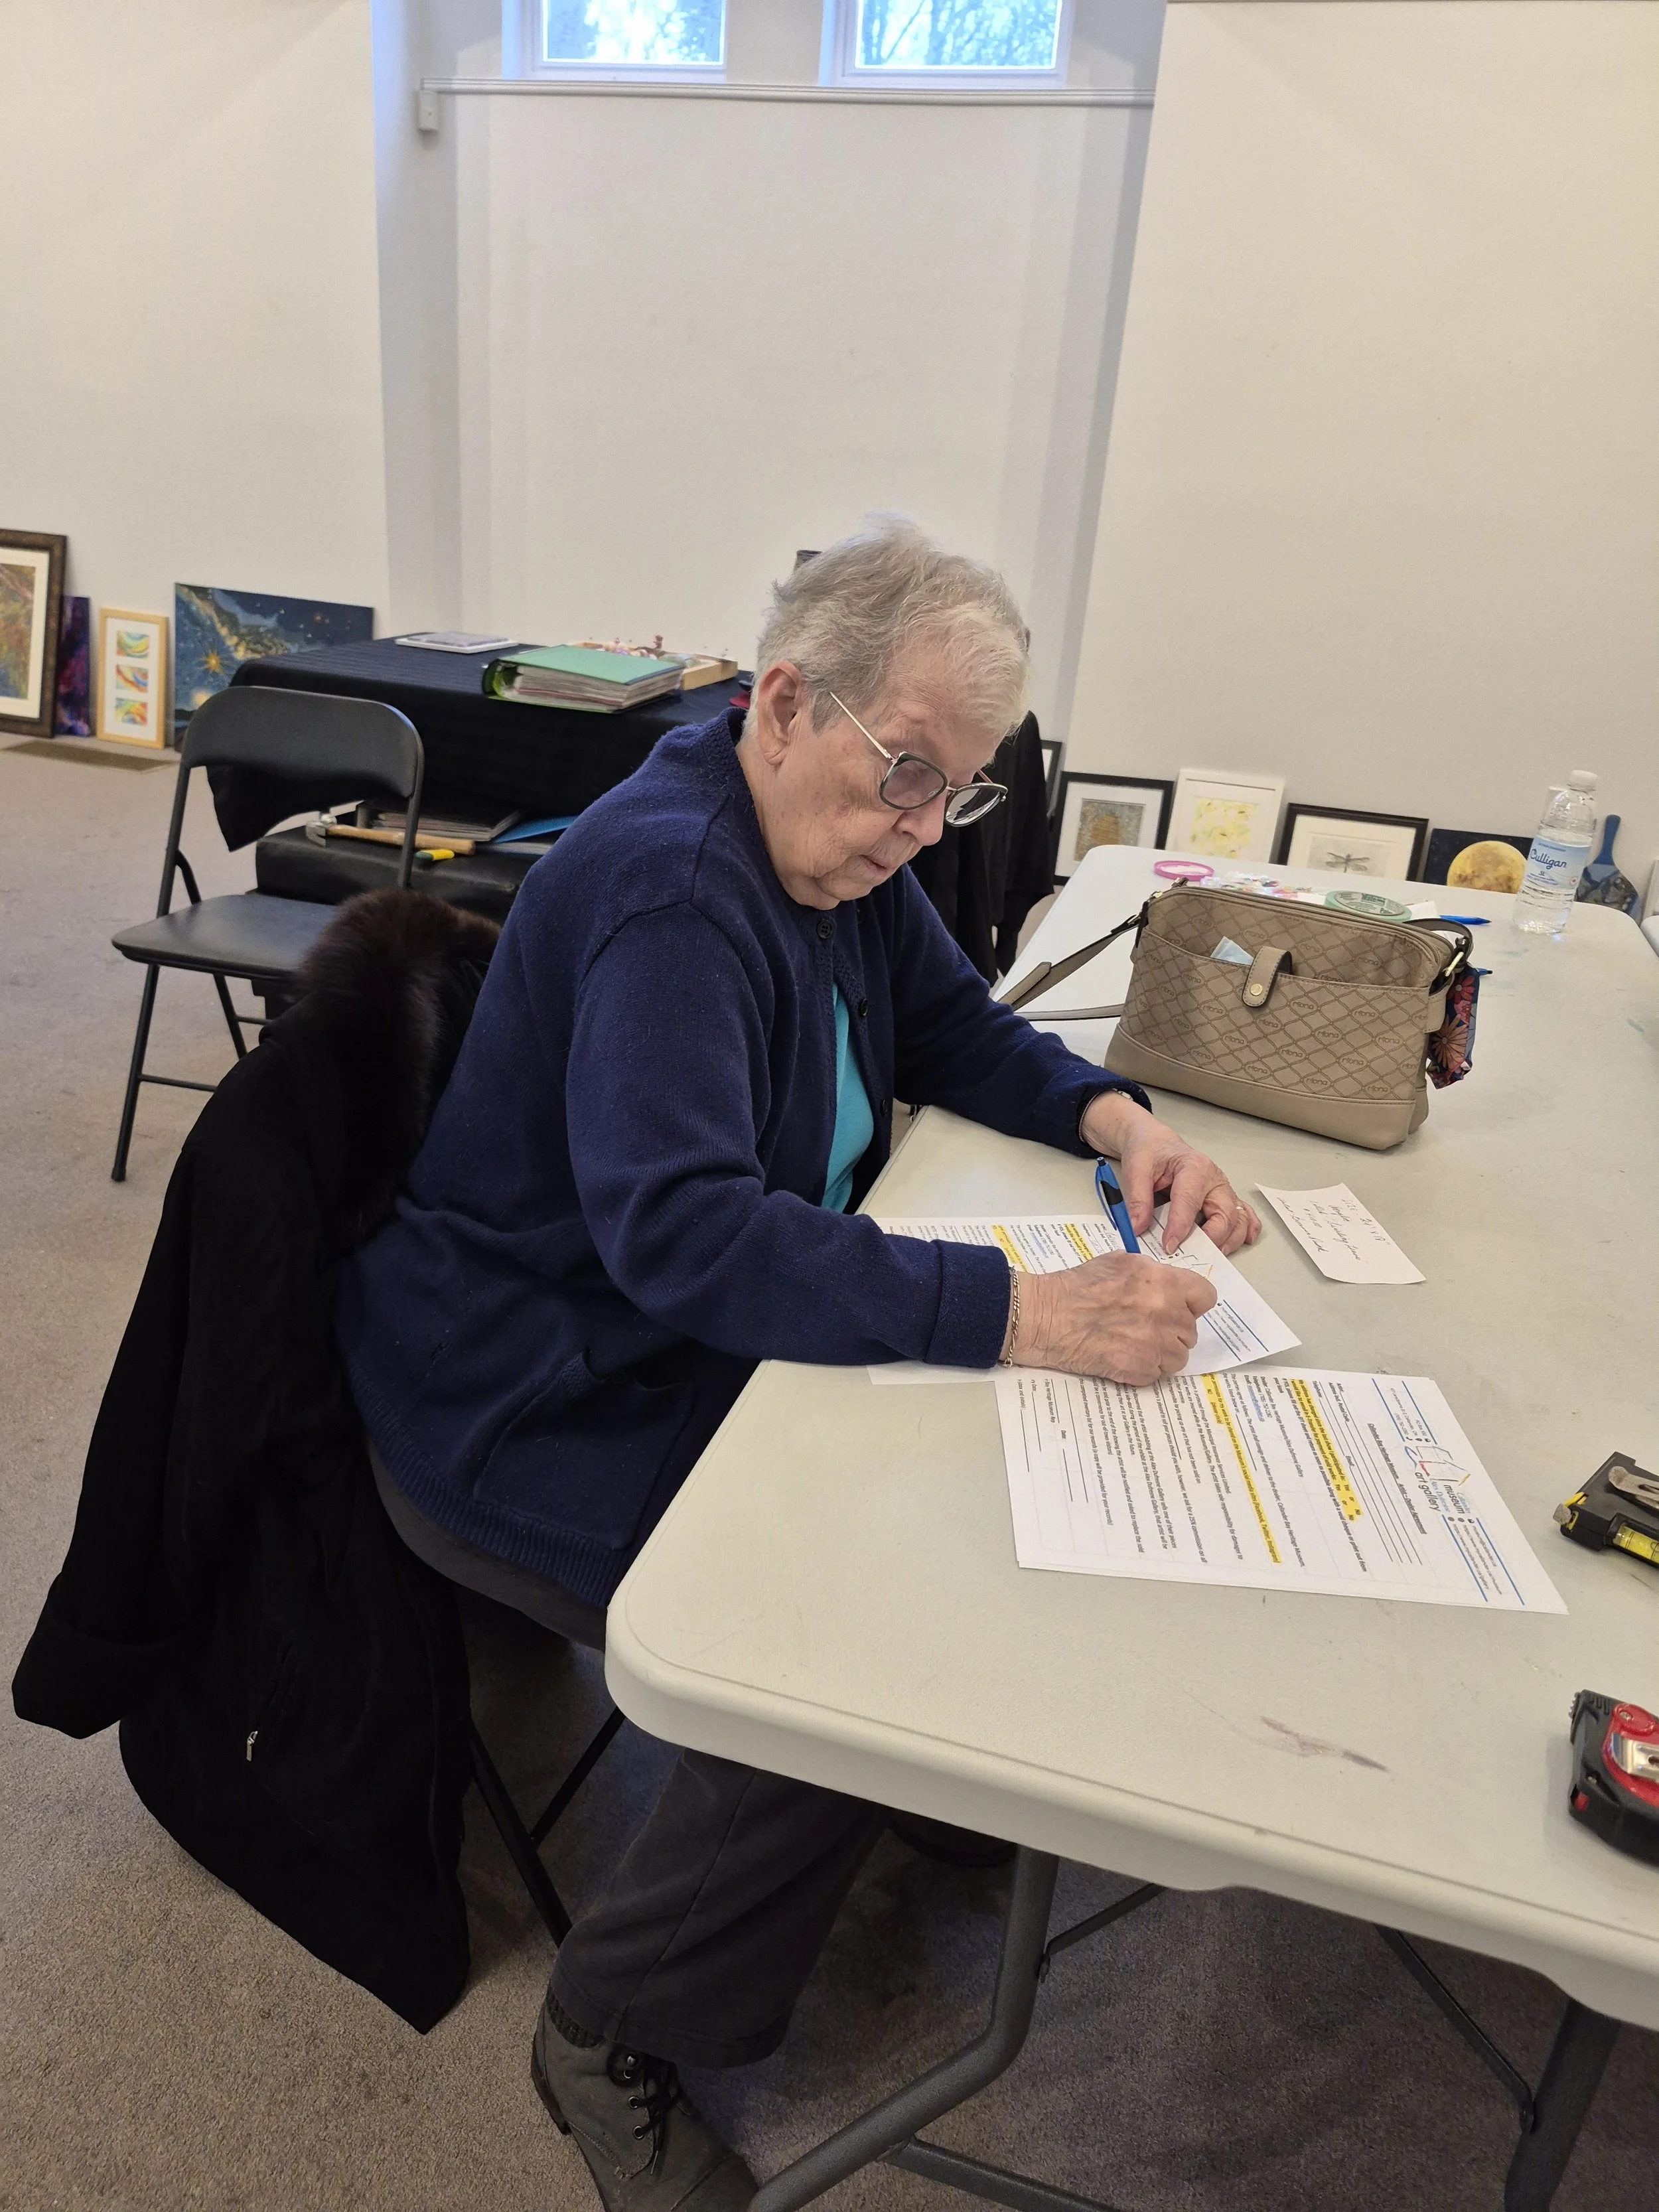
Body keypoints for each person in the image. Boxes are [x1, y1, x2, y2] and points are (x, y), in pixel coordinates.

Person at [336, 520, 1260, 2212]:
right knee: (832, 1655)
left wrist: (1116, 1118)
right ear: (779, 703)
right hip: (528, 1388)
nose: (921, 827)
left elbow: (954, 1023)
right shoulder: (678, 889)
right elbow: (685, 1236)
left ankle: (910, 1781)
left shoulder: (829, 847)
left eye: (955, 792)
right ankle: (610, 2028)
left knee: (939, 1492)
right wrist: (1025, 1312)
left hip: (661, 1337)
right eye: (906, 773)